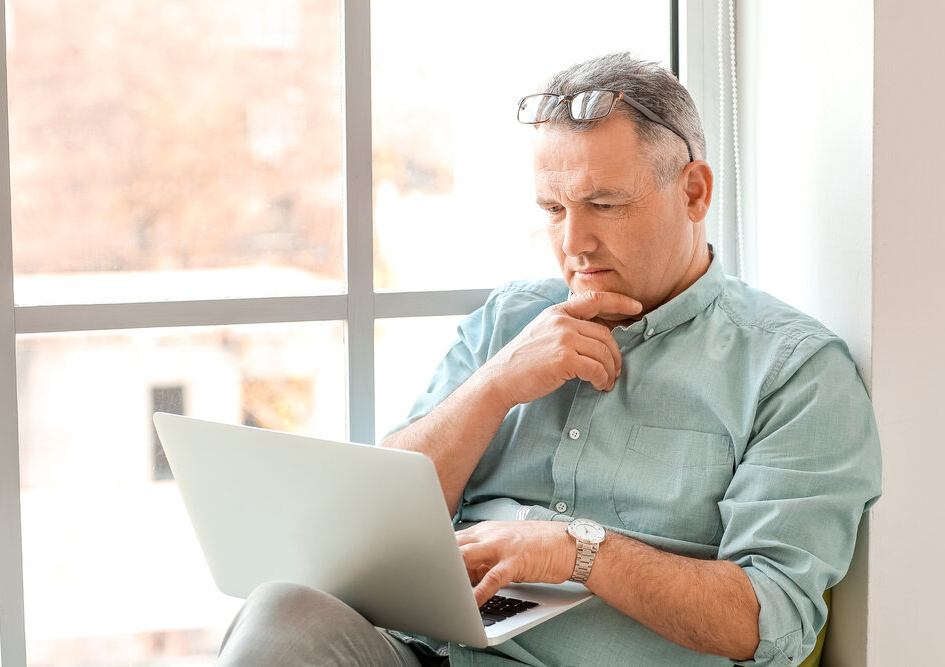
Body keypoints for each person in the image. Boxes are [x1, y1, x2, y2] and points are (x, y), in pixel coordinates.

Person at [215, 52, 881, 667]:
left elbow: (771, 620)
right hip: (428, 653)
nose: (574, 242)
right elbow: (371, 525)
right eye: (553, 208)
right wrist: (496, 384)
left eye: (604, 204)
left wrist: (577, 552)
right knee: (281, 611)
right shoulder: (512, 318)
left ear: (695, 192)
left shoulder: (794, 370)